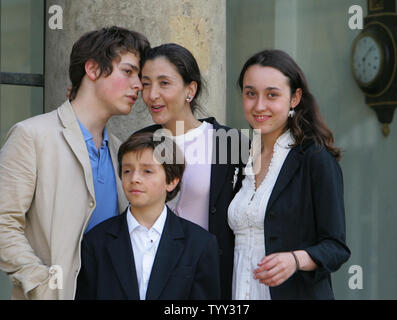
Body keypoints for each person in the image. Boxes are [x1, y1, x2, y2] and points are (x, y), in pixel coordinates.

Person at [0, 26, 150, 299]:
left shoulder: (120, 151)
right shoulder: (31, 136)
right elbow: (3, 223)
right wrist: (40, 282)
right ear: (92, 70)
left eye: (139, 76)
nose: (138, 85)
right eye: (128, 72)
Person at [228, 49, 351, 300]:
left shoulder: (315, 159)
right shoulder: (239, 157)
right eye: (250, 93)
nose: (259, 105)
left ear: (294, 98)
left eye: (272, 94)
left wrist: (295, 260)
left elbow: (336, 247)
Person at [135, 43, 248, 299]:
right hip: (149, 277)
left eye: (164, 83)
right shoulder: (139, 142)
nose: (152, 95)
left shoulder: (229, 143)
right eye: (146, 83)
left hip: (208, 280)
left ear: (190, 89)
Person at [75, 131, 221, 300]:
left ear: (171, 181)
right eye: (127, 170)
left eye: (147, 171)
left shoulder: (199, 244)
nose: (134, 178)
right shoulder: (96, 241)